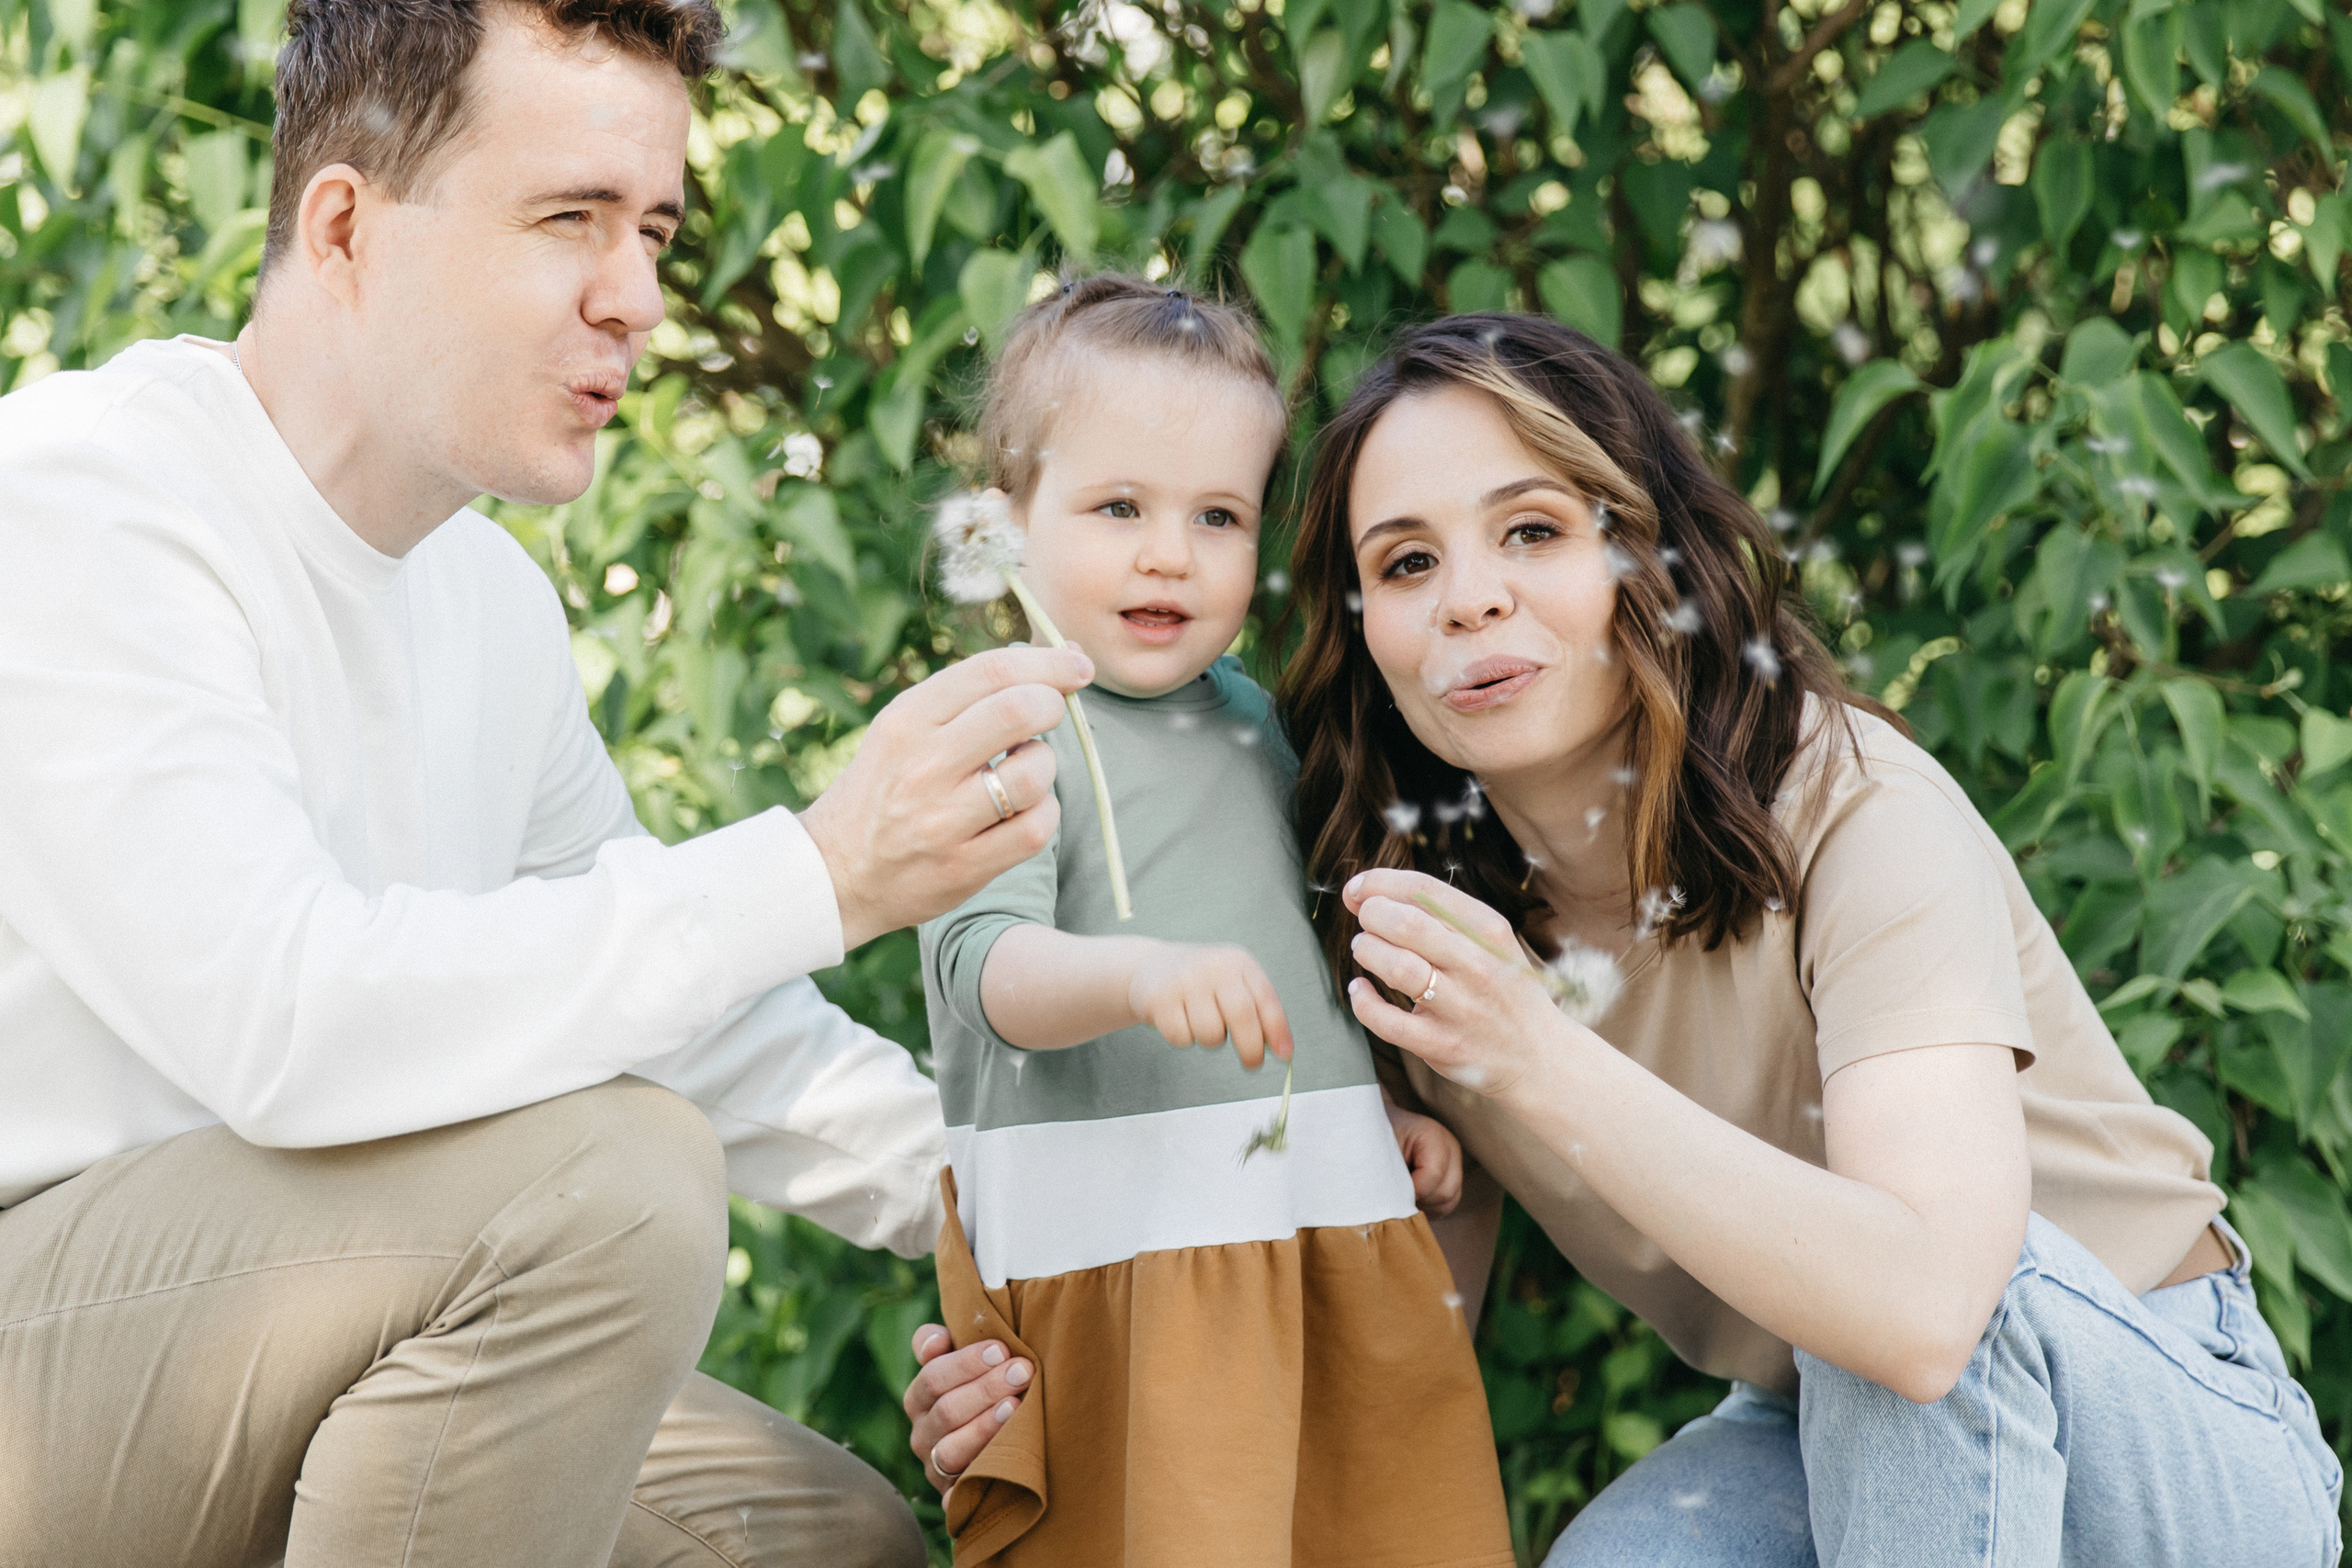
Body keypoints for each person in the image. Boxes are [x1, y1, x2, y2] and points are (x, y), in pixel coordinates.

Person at [0, 2, 1077, 1563]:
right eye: (569, 218)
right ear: (346, 228)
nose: (635, 297)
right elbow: (280, 1022)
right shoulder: (82, 500)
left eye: (654, 231)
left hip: (282, 1309)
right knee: (609, 1183)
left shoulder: (488, 601)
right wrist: (827, 869)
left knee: (821, 1542)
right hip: (38, 1343)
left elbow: (695, 1026)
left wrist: (1012, 1193)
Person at [1264, 312, 2343, 1566]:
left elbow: (1929, 1316)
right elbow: (1404, 1370)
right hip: (1821, 1414)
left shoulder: (1854, 809)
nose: (1468, 599)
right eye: (1406, 564)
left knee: (1899, 1304)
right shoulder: (1429, 932)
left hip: (2170, 1436)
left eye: (1534, 531)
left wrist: (1538, 1053)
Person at [912, 276, 1513, 1568]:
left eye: (1218, 516)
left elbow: (1290, 966)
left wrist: (1370, 1109)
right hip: (1129, 1262)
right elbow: (982, 968)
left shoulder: (1257, 724)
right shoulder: (1007, 723)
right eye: (1118, 508)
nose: (1169, 555)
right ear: (1007, 528)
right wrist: (1134, 976)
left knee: (1375, 1529)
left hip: (1312, 1227)